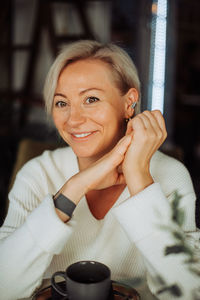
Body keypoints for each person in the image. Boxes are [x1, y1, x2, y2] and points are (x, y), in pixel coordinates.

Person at [0, 40, 199, 300]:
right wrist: (73, 189)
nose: (73, 119)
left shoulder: (171, 176)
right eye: (62, 103)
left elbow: (189, 291)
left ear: (129, 102)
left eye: (91, 99)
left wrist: (139, 178)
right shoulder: (38, 173)